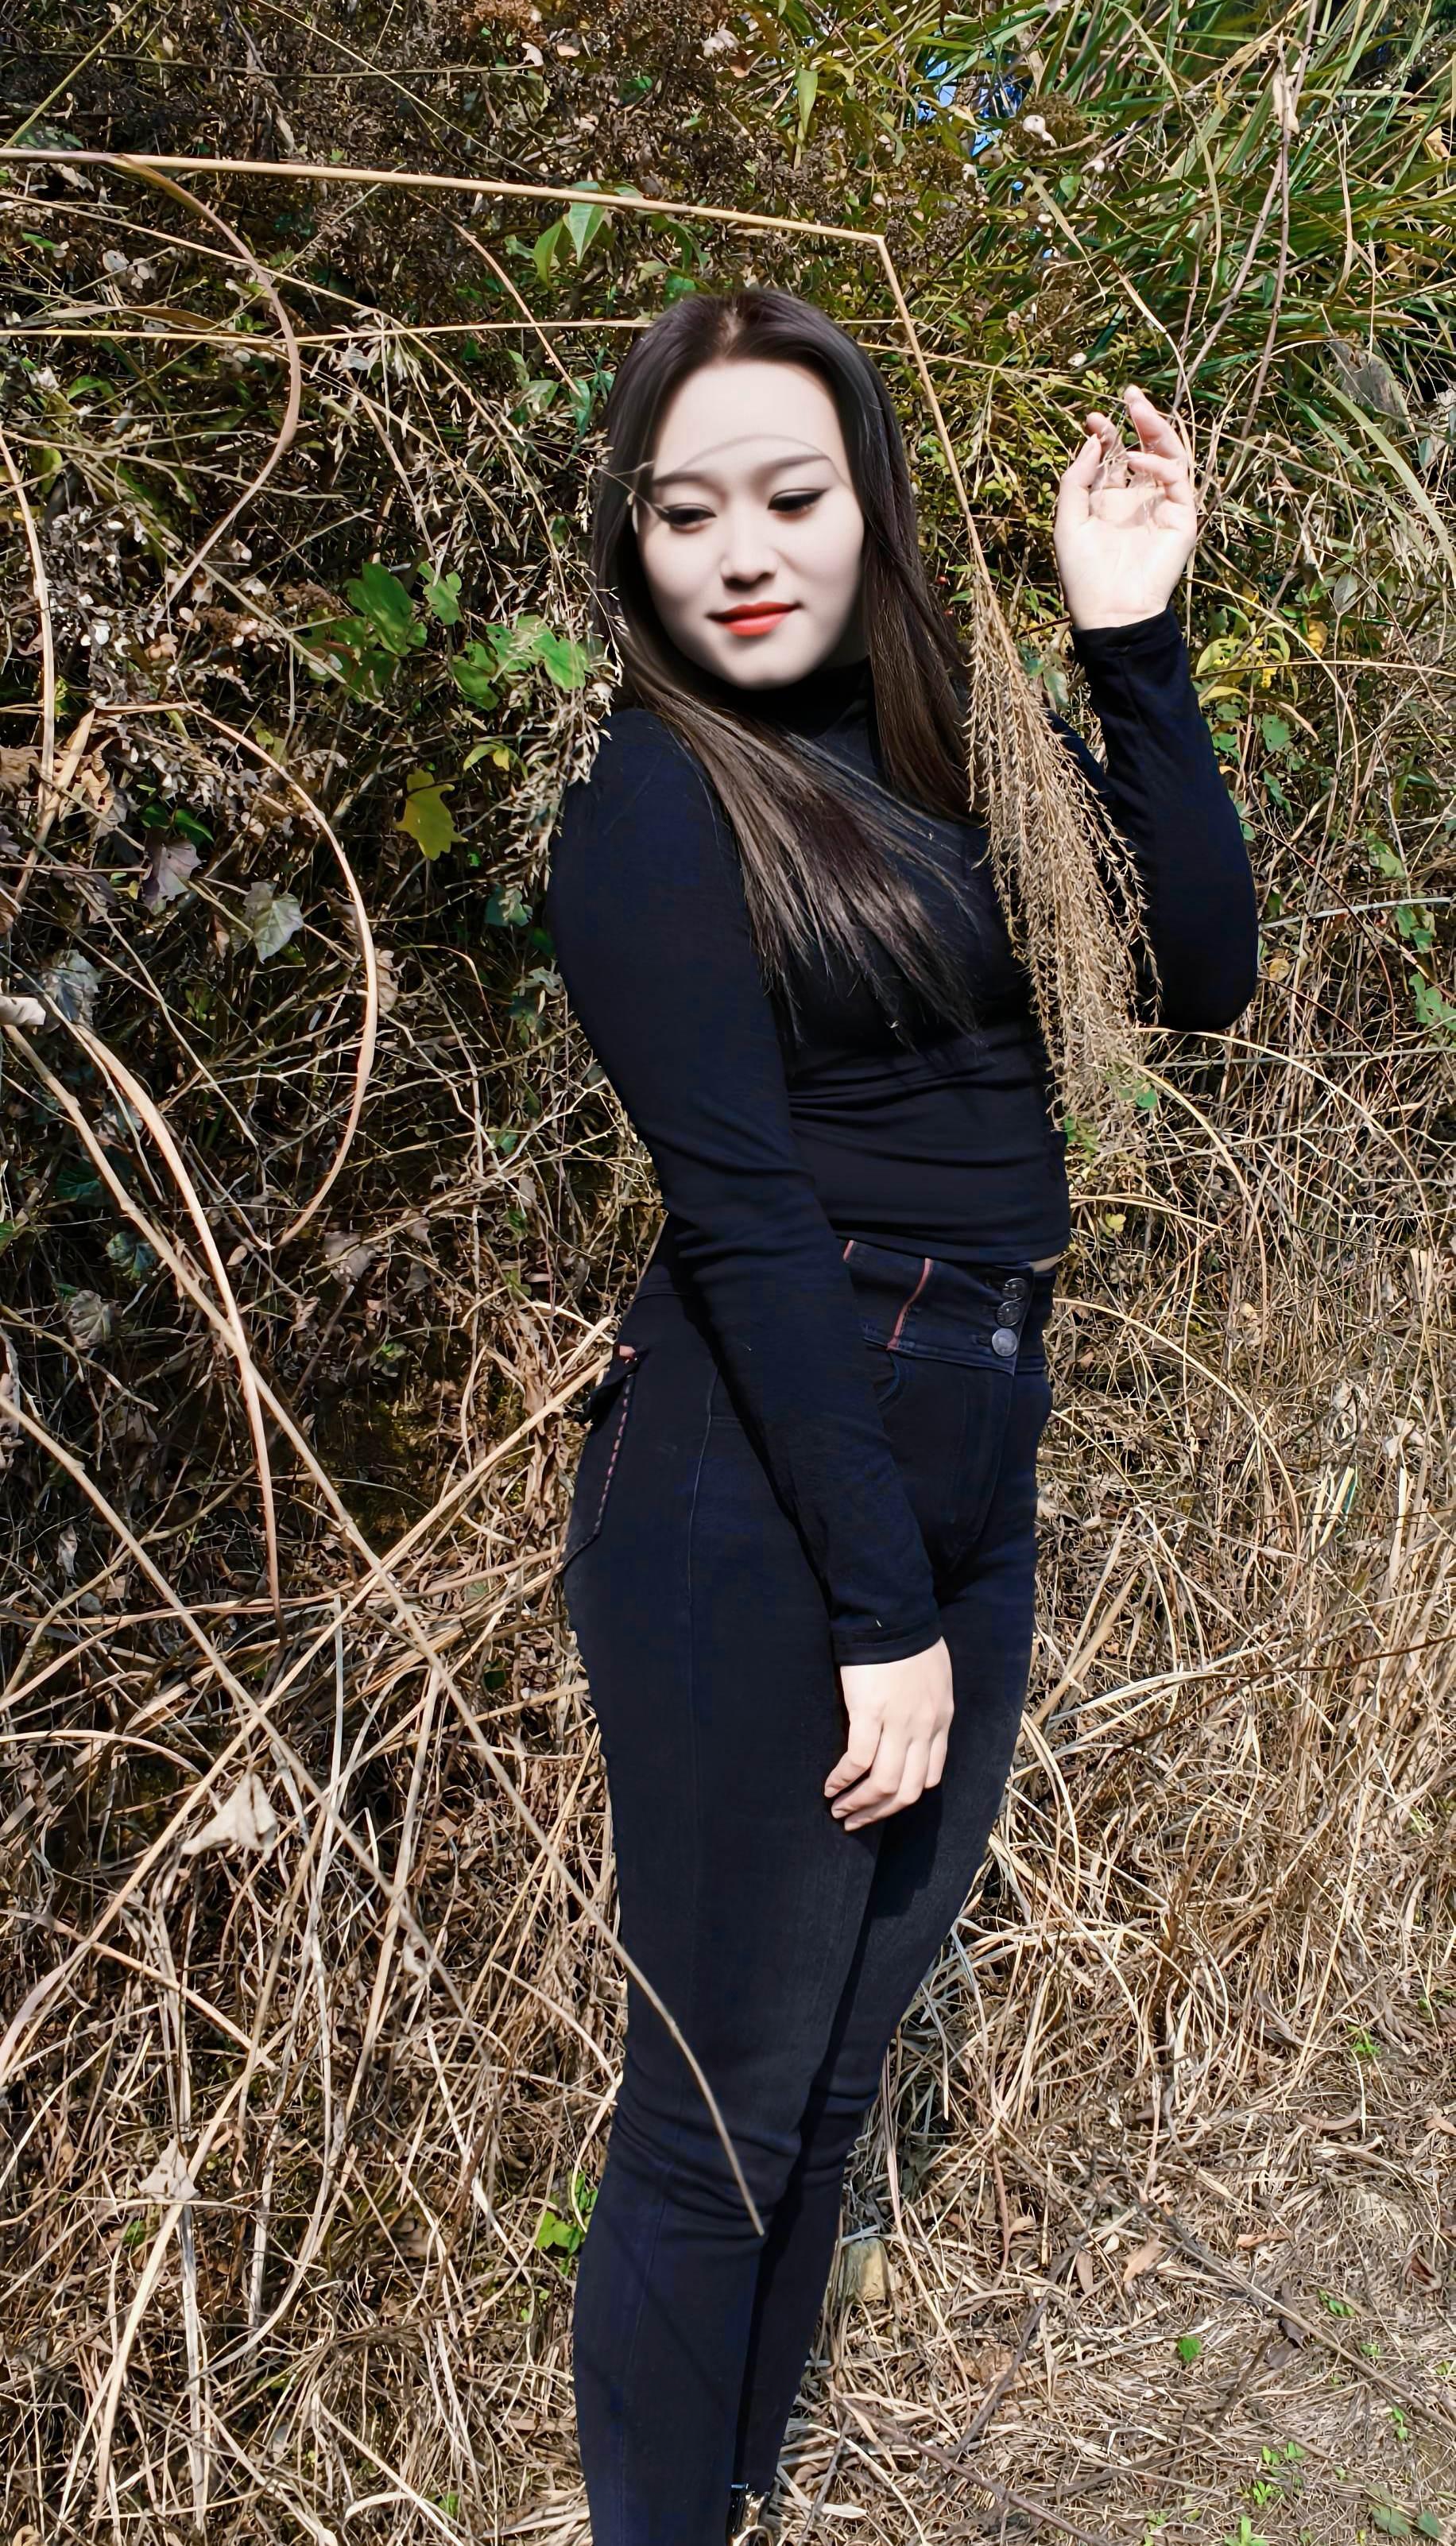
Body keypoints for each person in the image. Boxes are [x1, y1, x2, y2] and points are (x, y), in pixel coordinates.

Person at [543, 289, 1258, 2546]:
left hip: (971, 1451)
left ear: (869, 501)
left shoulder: (955, 753)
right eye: (687, 513)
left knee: (834, 2092)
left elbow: (1197, 974)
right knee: (720, 2114)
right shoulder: (652, 807)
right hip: (760, 1491)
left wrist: (1130, 638)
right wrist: (878, 1613)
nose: (743, 553)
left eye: (790, 493)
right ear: (632, 543)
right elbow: (748, 1229)